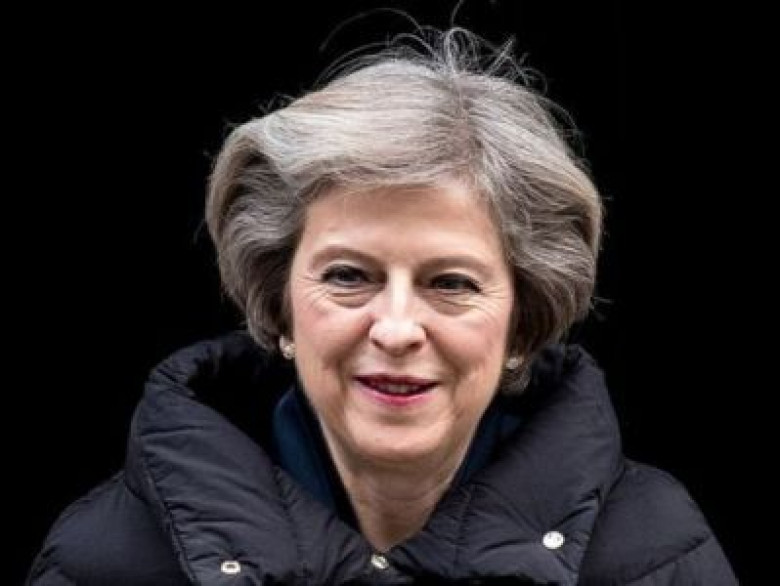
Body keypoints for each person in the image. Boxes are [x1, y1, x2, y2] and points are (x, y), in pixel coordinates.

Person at [27, 28, 737, 585]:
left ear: (523, 323)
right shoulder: (107, 559)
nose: (396, 329)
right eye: (348, 276)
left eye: (451, 283)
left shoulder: (654, 553)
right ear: (279, 305)